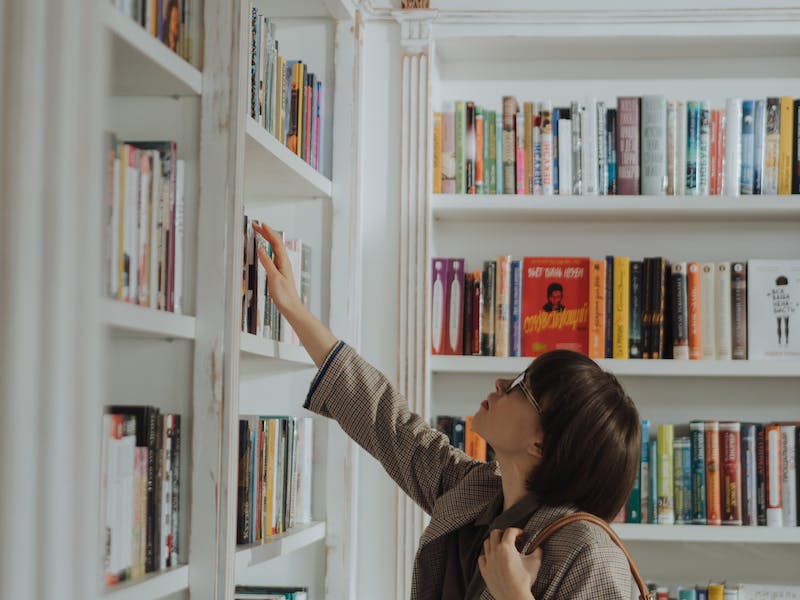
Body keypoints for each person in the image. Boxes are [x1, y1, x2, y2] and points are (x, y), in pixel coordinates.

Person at [253, 221, 641, 600]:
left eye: (523, 386)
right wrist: (293, 308)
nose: (502, 384)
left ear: (543, 443)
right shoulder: (477, 493)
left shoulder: (589, 554)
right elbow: (388, 422)